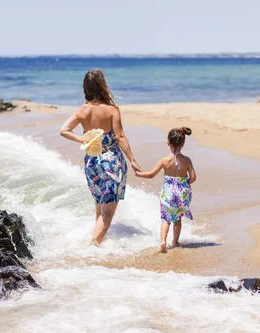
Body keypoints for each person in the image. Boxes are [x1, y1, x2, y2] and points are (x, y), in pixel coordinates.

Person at [60, 69, 141, 245]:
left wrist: (82, 138)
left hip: (92, 161)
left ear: (86, 88)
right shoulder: (112, 110)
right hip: (111, 162)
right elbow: (120, 137)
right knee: (108, 212)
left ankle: (98, 243)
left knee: (99, 204)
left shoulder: (82, 110)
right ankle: (93, 246)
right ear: (102, 86)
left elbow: (64, 130)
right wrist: (132, 160)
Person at [135, 127, 197, 253]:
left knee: (165, 218)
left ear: (168, 142)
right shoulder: (187, 160)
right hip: (181, 192)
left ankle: (163, 241)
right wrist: (185, 182)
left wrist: (138, 174)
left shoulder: (164, 160)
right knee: (178, 217)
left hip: (168, 192)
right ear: (183, 144)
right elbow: (193, 177)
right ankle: (175, 241)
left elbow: (151, 175)